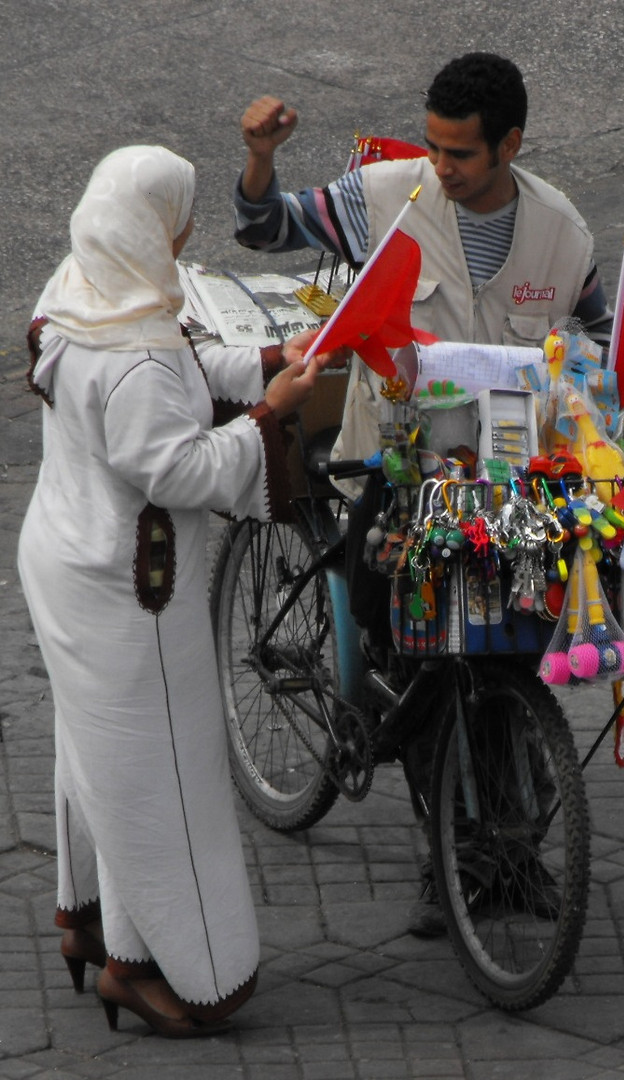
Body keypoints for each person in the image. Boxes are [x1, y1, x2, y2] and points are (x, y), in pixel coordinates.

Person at [233, 53, 612, 935]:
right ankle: (448, 853)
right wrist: (258, 158)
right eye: (435, 147)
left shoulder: (561, 233)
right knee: (415, 657)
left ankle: (501, 848)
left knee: (505, 653)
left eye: (462, 154)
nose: (440, 167)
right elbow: (265, 228)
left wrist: (585, 402)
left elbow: (596, 343)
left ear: (508, 144)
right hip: (399, 474)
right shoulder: (385, 194)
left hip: (509, 486)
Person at [17, 145, 339, 1037]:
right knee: (163, 771)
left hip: (63, 555)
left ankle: (86, 921)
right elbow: (178, 464)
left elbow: (180, 361)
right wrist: (273, 411)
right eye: (181, 216)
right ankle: (154, 966)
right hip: (130, 589)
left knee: (96, 756)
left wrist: (272, 355)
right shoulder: (138, 361)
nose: (189, 231)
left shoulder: (82, 287)